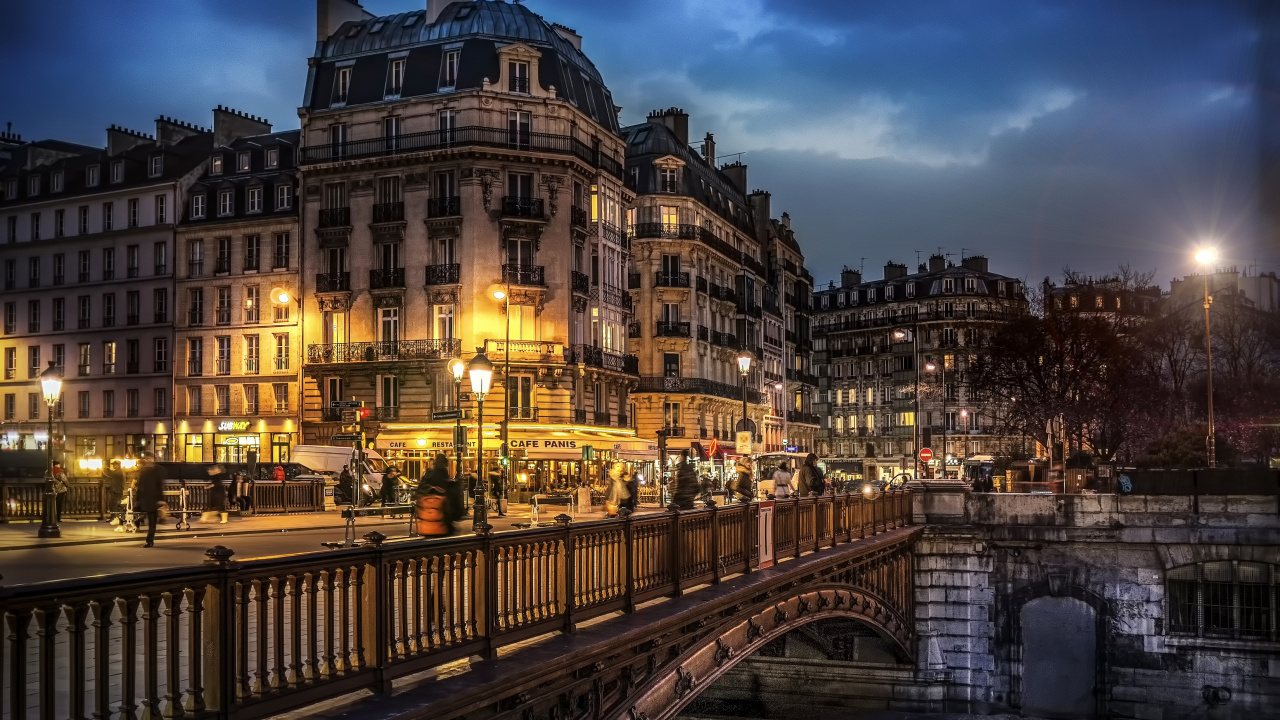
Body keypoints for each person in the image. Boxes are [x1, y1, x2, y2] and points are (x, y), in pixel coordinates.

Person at [414, 453, 453, 537]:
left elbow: (420, 490)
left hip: (426, 522)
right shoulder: (444, 475)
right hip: (441, 524)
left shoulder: (429, 476)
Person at [135, 453, 164, 547]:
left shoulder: (144, 471)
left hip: (147, 499)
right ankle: (149, 540)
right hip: (151, 499)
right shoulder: (157, 470)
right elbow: (159, 485)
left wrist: (137, 499)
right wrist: (161, 499)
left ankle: (149, 540)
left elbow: (140, 486)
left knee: (150, 519)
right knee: (152, 520)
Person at [103, 460, 126, 526]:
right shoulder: (118, 471)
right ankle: (113, 517)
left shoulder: (118, 472)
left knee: (115, 505)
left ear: (118, 465)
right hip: (116, 490)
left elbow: (109, 474)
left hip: (117, 491)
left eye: (114, 464)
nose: (113, 466)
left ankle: (115, 518)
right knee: (114, 504)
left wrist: (105, 468)